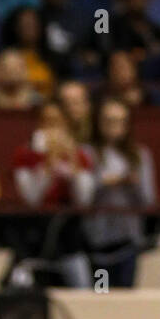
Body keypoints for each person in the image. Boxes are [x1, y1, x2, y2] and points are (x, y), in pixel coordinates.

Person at [10, 101, 95, 286]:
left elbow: (85, 200)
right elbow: (31, 198)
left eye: (57, 122)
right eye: (46, 122)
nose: (52, 128)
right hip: (36, 233)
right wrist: (48, 163)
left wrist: (73, 162)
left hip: (69, 233)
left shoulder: (79, 154)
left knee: (82, 283)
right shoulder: (24, 154)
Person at [83, 98, 156, 288]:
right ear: (98, 123)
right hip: (97, 241)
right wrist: (102, 183)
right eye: (108, 121)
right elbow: (81, 198)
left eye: (120, 121)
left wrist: (132, 183)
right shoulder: (87, 153)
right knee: (101, 294)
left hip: (128, 241)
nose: (114, 127)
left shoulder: (139, 155)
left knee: (124, 298)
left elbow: (149, 201)